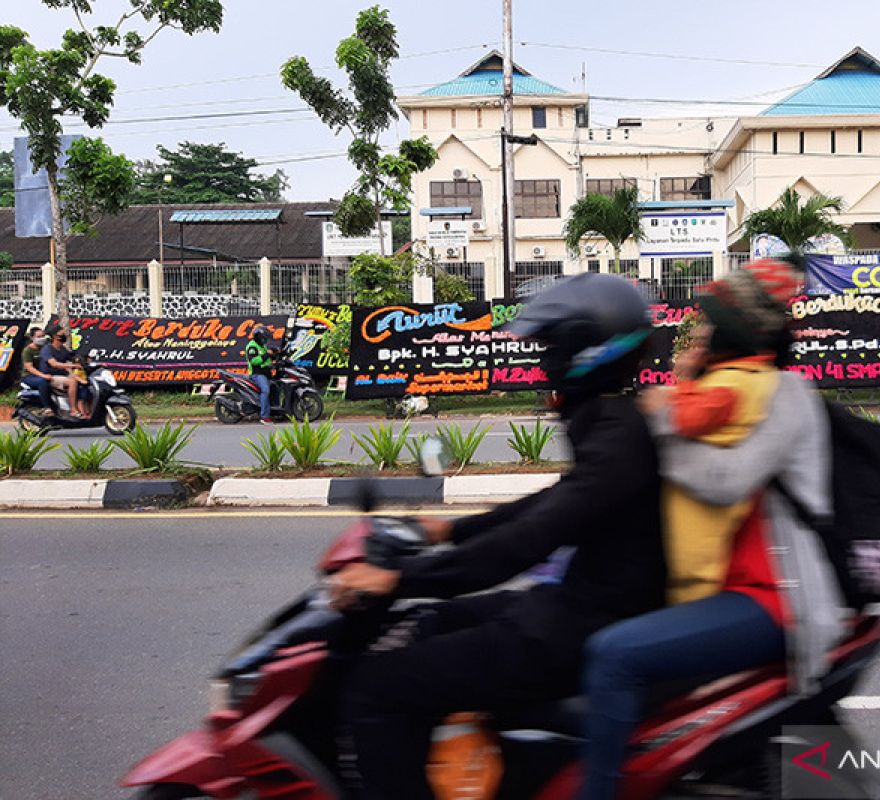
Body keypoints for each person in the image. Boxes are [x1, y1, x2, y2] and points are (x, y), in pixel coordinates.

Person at [330, 273, 666, 800]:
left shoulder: (618, 434)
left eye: (553, 345)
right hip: (573, 607)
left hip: (580, 626)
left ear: (587, 347)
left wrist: (398, 577)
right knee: (426, 624)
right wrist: (450, 528)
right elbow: (554, 502)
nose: (544, 359)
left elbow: (531, 539)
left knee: (376, 690)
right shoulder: (610, 421)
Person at [579, 259, 846, 800]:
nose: (697, 332)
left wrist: (661, 422)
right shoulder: (739, 386)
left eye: (707, 323)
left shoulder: (781, 394)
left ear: (733, 328)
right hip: (735, 588)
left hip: (775, 599)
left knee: (615, 655)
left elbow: (725, 481)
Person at [39, 325, 84, 419]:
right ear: (55, 336)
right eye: (62, 333)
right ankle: (73, 410)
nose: (64, 334)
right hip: (52, 376)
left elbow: (72, 356)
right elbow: (54, 364)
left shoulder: (62, 349)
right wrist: (72, 365)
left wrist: (82, 359)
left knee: (82, 381)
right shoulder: (47, 349)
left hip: (63, 375)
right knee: (72, 382)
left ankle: (83, 408)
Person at [19, 327, 54, 416]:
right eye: (39, 336)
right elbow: (29, 368)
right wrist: (43, 376)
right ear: (32, 338)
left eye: (43, 336)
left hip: (45, 373)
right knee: (43, 382)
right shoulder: (28, 351)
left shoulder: (47, 348)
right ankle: (47, 407)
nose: (42, 338)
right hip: (29, 376)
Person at [246, 326, 274, 424]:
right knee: (265, 390)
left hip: (265, 372)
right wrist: (267, 355)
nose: (265, 340)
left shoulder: (263, 346)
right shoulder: (252, 347)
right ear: (259, 337)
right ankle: (264, 416)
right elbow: (254, 361)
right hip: (257, 374)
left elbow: (267, 360)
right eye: (264, 338)